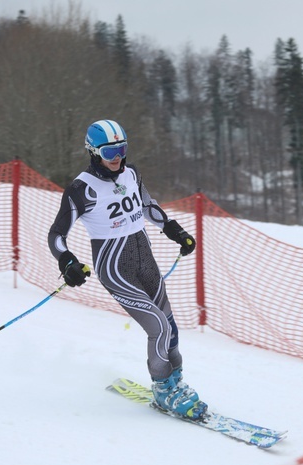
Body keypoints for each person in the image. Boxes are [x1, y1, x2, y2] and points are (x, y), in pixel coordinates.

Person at [48, 119, 206, 420]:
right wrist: (66, 260)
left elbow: (147, 206)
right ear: (94, 152)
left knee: (169, 325)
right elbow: (56, 234)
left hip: (145, 261)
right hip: (114, 268)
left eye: (122, 149)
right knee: (157, 326)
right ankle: (162, 389)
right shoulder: (81, 189)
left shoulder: (131, 174)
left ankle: (175, 382)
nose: (118, 157)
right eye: (110, 152)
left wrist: (173, 229)